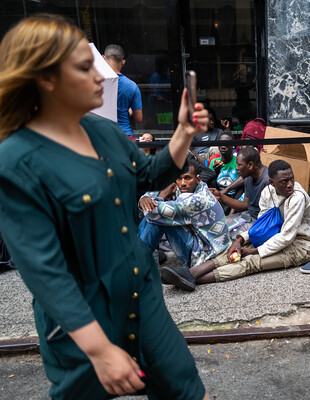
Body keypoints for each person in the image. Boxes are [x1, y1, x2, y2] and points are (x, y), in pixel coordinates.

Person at [0, 15, 210, 399]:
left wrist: (183, 132)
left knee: (187, 389)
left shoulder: (103, 131)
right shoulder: (15, 162)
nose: (101, 76)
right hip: (80, 320)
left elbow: (148, 174)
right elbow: (44, 271)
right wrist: (98, 349)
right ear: (45, 79)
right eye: (85, 67)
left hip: (141, 294)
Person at [159, 160, 310, 289]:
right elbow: (260, 227)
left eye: (292, 179)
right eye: (284, 181)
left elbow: (287, 237)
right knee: (229, 251)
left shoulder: (297, 198)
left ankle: (192, 280)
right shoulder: (267, 192)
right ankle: (189, 273)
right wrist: (239, 241)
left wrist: (254, 251)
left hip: (300, 247)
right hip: (276, 236)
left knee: (249, 263)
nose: (290, 184)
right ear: (272, 182)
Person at [138, 158, 231, 281]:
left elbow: (152, 213)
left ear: (198, 179)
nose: (182, 183)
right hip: (199, 242)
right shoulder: (192, 187)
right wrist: (145, 198)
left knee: (159, 218)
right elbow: (152, 194)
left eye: (187, 178)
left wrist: (160, 196)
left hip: (204, 258)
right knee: (156, 212)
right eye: (179, 178)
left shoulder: (197, 200)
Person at [210, 146, 269, 223]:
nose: (236, 168)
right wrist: (220, 196)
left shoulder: (267, 181)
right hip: (248, 216)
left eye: (239, 165)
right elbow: (245, 205)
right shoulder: (249, 176)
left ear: (250, 165)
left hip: (260, 222)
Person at [103, 44, 142, 141]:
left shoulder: (95, 82)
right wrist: (129, 112)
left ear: (103, 58)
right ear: (123, 62)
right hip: (126, 136)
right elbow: (138, 118)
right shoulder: (132, 86)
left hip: (103, 136)